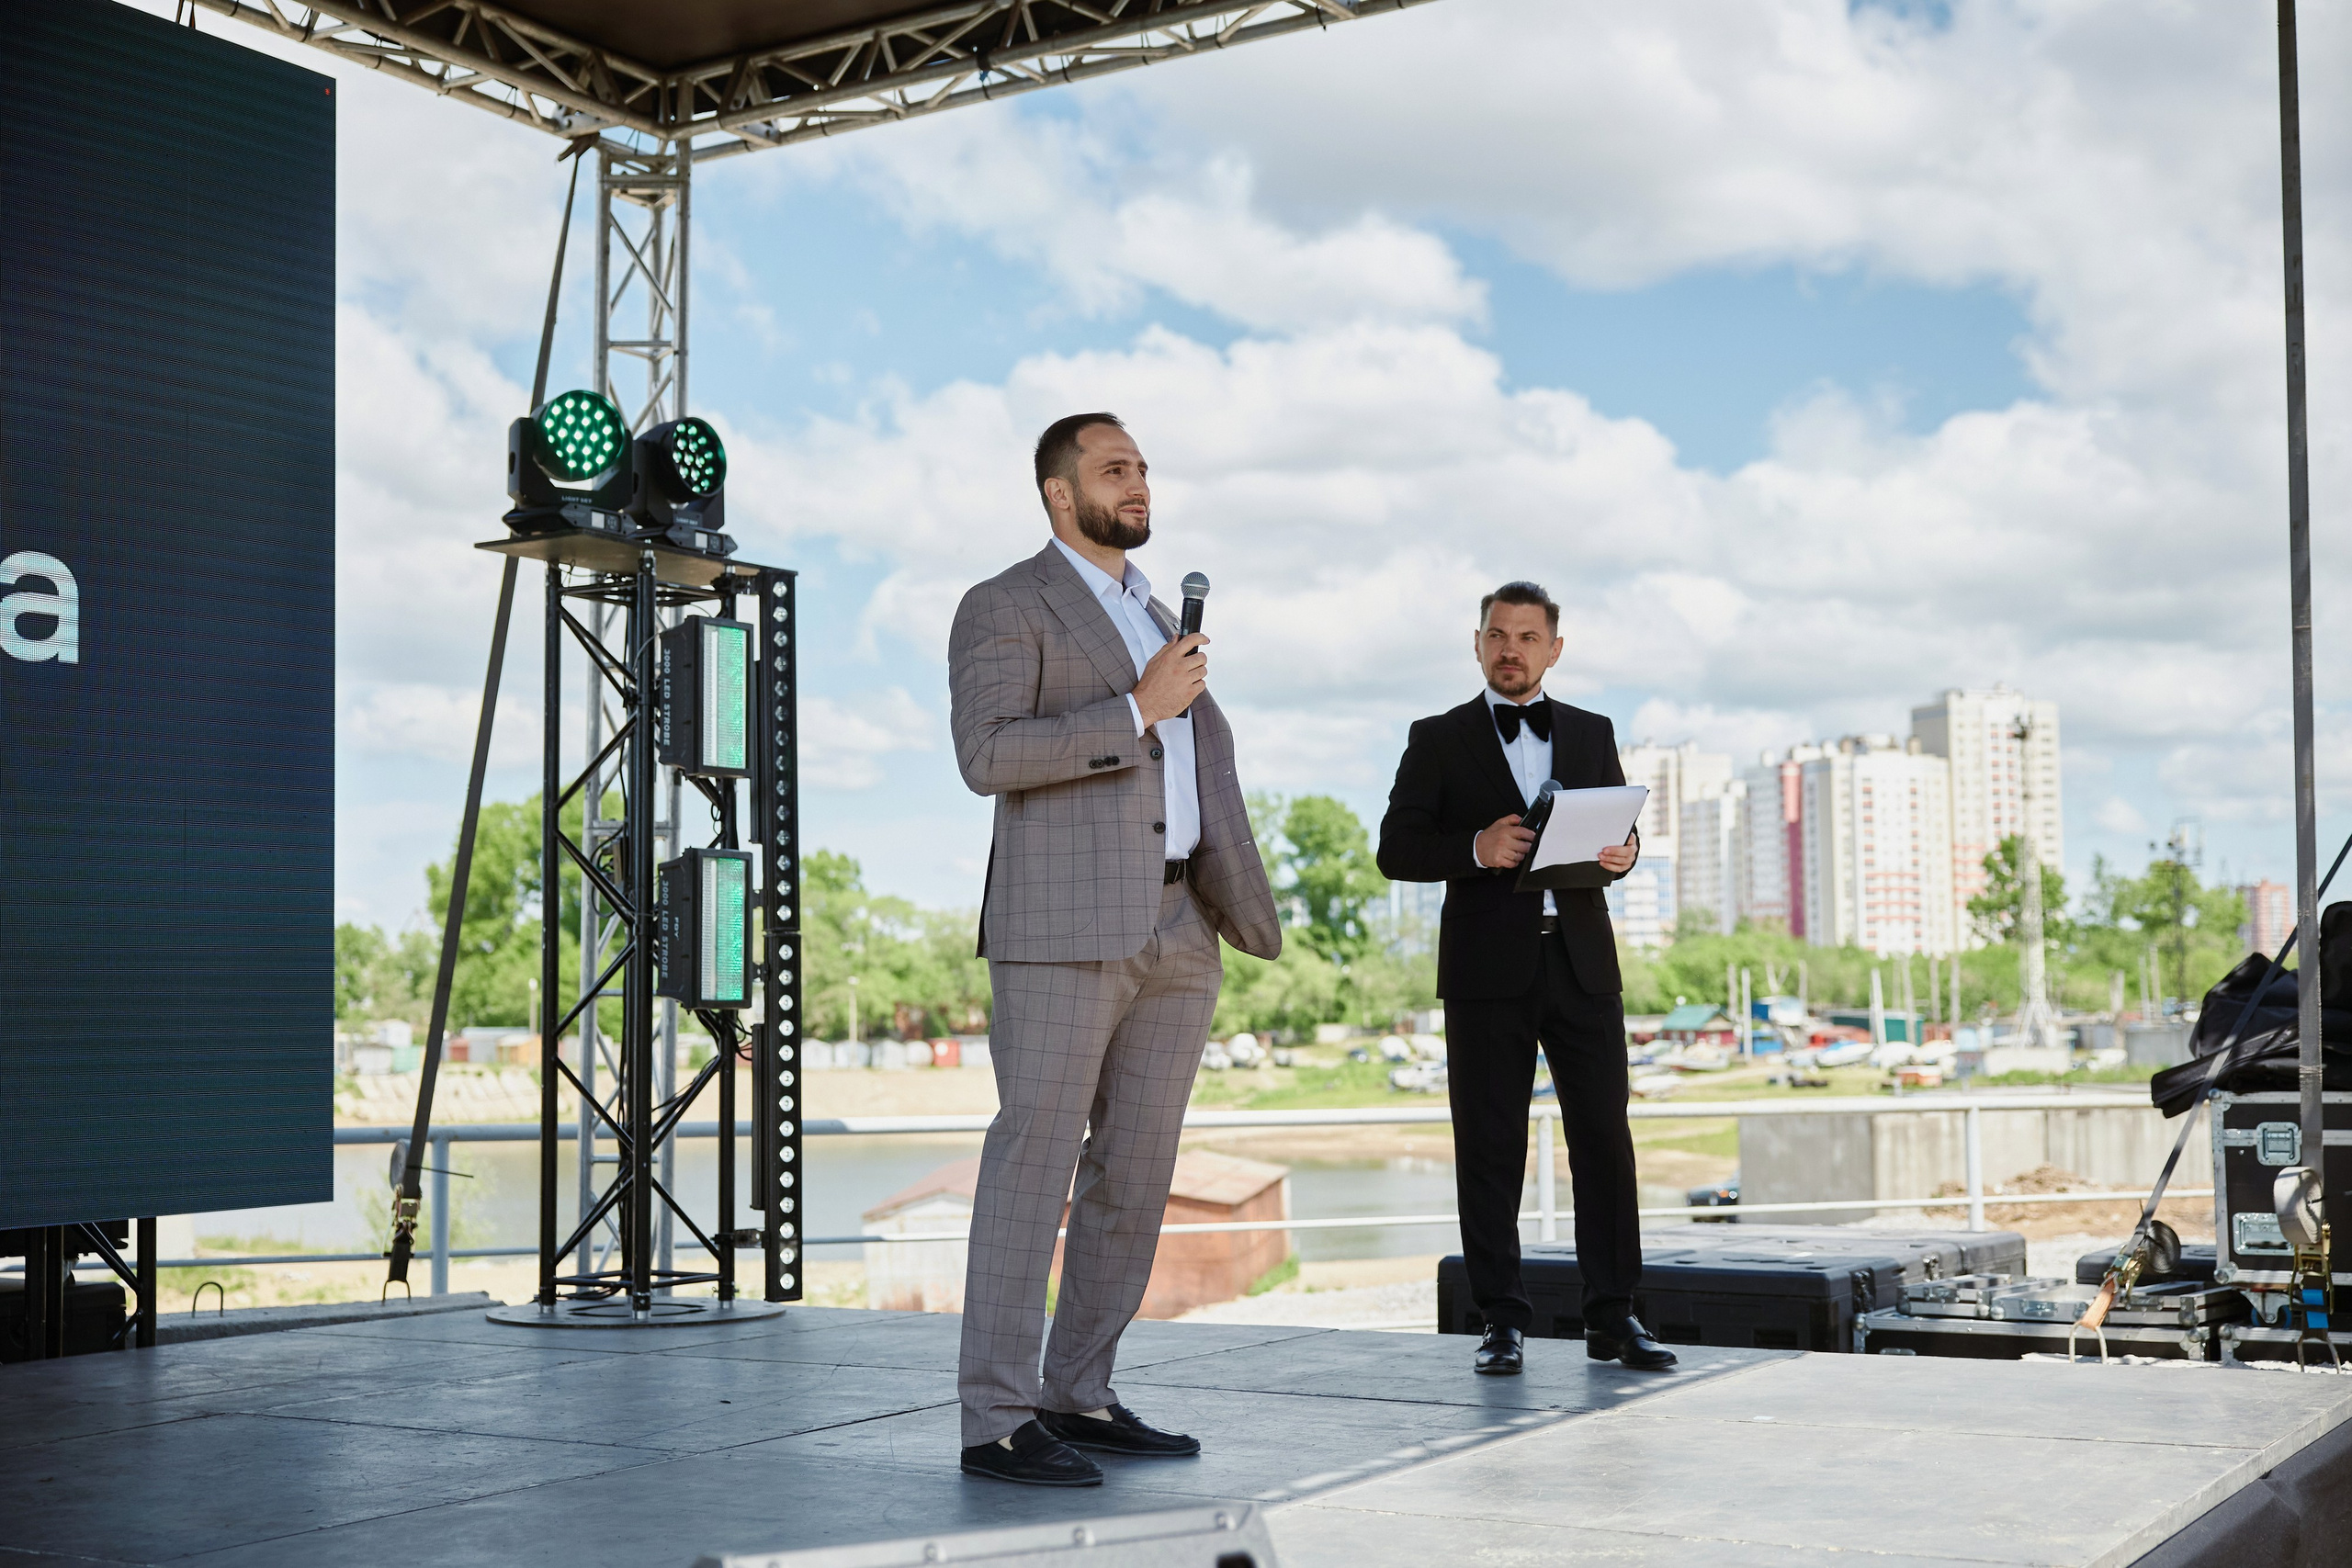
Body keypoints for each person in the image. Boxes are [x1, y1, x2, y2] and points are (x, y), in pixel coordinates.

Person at [945, 412, 1282, 1486]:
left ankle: (1077, 1393)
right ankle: (995, 1418)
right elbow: (987, 755)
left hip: (1179, 925)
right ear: (1058, 492)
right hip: (1061, 926)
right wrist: (1134, 709)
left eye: (1141, 467)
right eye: (1113, 469)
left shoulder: (1150, 610)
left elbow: (1197, 765)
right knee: (1031, 1170)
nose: (1137, 483)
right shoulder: (1004, 604)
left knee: (1133, 1177)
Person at [1375, 581, 1675, 1375]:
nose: (1512, 648)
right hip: (1483, 971)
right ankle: (1500, 1321)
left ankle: (1614, 1318)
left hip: (1581, 964)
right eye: (1497, 635)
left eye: (1528, 636)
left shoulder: (1592, 730)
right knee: (1489, 1145)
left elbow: (1620, 833)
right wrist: (1474, 848)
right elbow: (1395, 849)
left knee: (1605, 1142)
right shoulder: (1435, 737)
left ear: (1554, 649)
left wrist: (1628, 853)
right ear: (1478, 644)